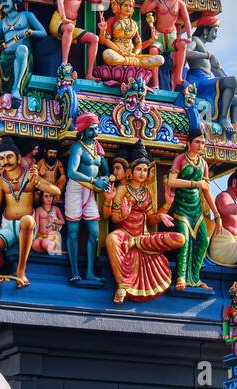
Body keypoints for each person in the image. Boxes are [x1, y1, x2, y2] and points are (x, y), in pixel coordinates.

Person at [0, 136, 61, 309]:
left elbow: (56, 190)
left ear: (19, 158)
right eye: (2, 158)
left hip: (26, 225)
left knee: (27, 220)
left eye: (9, 157)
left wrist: (39, 183)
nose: (6, 162)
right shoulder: (1, 182)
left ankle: (21, 270)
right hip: (7, 226)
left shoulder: (29, 176)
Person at [103, 145, 183, 303]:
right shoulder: (122, 189)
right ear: (130, 172)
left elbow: (151, 218)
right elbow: (113, 219)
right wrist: (123, 214)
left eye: (145, 170)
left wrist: (165, 208)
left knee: (180, 238)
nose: (142, 173)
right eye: (139, 169)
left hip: (143, 238)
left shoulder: (147, 193)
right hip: (124, 235)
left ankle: (137, 242)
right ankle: (122, 285)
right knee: (111, 239)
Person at [166, 133, 220, 291]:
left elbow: (206, 190)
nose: (200, 145)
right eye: (197, 142)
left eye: (203, 143)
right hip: (181, 208)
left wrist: (216, 215)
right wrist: (195, 184)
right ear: (189, 143)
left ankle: (195, 278)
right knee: (185, 240)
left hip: (196, 210)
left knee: (203, 241)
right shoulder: (181, 159)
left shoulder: (203, 163)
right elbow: (171, 181)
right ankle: (181, 276)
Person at [65, 112, 109, 285]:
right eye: (92, 129)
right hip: (76, 189)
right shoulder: (78, 147)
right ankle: (75, 272)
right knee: (73, 232)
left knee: (95, 233)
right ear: (83, 130)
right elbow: (71, 172)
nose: (95, 133)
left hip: (91, 192)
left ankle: (90, 272)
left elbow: (105, 170)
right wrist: (93, 180)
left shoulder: (98, 148)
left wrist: (106, 179)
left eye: (96, 128)